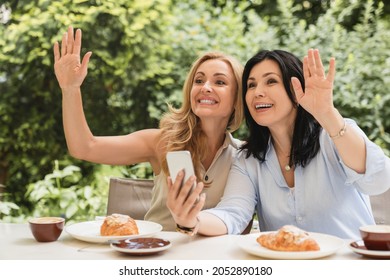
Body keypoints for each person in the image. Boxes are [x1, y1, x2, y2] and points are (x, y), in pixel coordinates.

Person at [166, 49, 390, 239]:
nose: (258, 92)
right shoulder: (248, 160)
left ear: (296, 91)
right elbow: (232, 214)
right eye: (251, 85)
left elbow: (379, 181)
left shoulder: (334, 135)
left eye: (271, 81)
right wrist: (192, 219)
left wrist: (327, 113)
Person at [53, 26, 244, 231]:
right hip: (156, 252)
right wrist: (71, 89)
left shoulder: (243, 156)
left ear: (236, 99)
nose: (205, 87)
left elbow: (241, 221)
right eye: (199, 80)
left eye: (220, 81)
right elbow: (84, 147)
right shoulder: (163, 142)